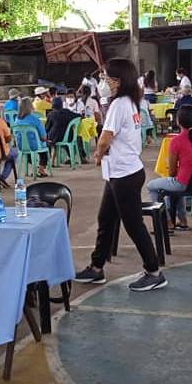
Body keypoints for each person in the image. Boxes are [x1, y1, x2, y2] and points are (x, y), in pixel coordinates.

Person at [74, 57, 167, 292]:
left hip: (125, 174)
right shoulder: (131, 101)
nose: (103, 82)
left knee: (133, 224)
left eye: (106, 78)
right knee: (105, 219)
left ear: (118, 81)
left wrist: (97, 155)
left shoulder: (119, 104)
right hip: (120, 172)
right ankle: (96, 267)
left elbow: (106, 138)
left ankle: (154, 271)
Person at [146, 105, 192, 232]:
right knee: (175, 182)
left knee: (151, 186)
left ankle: (166, 221)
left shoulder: (176, 140)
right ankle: (182, 220)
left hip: (184, 183)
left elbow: (171, 171)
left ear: (178, 121)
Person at [13, 97, 50, 178]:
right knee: (46, 147)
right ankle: (41, 168)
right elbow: (43, 137)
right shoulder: (35, 119)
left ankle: (34, 166)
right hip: (34, 145)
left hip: (21, 146)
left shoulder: (16, 119)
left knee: (30, 151)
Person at [46, 96, 83, 165]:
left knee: (47, 138)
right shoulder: (67, 112)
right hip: (68, 138)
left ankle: (49, 161)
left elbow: (47, 128)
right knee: (63, 134)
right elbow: (79, 116)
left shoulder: (51, 114)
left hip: (54, 138)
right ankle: (71, 158)